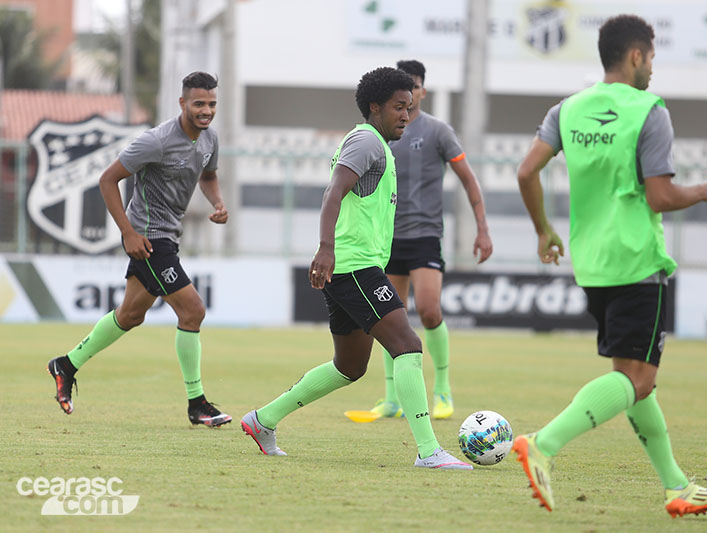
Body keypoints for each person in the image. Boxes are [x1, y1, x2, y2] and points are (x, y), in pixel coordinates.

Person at [513, 15, 707, 516]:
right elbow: (660, 195)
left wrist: (544, 230)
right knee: (639, 379)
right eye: (651, 58)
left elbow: (527, 171)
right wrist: (703, 190)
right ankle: (542, 442)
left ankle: (676, 485)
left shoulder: (567, 109)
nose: (652, 68)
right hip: (636, 260)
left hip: (591, 263)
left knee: (630, 376)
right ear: (636, 56)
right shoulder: (649, 110)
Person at [240, 67, 471, 470]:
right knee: (408, 346)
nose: (406, 114)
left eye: (411, 106)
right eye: (399, 107)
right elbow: (334, 192)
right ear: (375, 107)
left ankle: (263, 420)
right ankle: (429, 450)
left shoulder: (374, 142)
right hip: (354, 267)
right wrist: (325, 249)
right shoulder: (366, 141)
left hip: (351, 265)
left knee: (349, 366)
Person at [47, 71, 232, 428]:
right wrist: (128, 232)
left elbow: (208, 175)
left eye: (211, 103)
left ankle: (65, 365)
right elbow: (107, 179)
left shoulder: (210, 140)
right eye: (198, 103)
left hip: (167, 236)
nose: (206, 110)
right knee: (193, 311)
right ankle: (197, 404)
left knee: (130, 315)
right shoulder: (157, 141)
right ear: (182, 103)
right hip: (148, 238)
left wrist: (217, 203)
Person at [368, 59, 493, 421]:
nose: (412, 94)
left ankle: (442, 391)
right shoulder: (380, 132)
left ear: (422, 90)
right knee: (389, 318)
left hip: (425, 235)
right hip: (387, 237)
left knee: (429, 309)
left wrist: (482, 228)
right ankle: (391, 398)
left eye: (417, 86)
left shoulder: (438, 130)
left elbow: (468, 178)